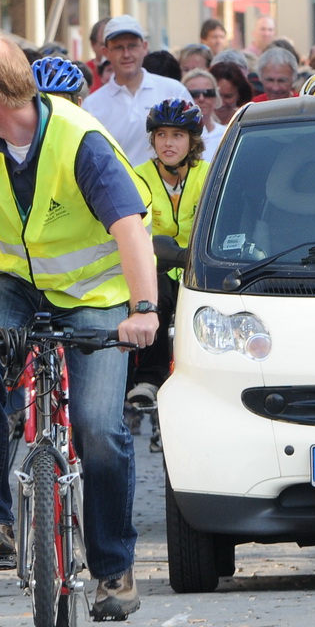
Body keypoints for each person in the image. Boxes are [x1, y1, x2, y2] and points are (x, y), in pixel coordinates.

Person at [0, 33, 158, 621]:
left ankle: (113, 568)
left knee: (96, 424)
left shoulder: (80, 141)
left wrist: (143, 311)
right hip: (10, 281)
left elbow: (132, 233)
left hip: (95, 294)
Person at [127, 99, 211, 444]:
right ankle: (148, 378)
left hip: (197, 267)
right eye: (161, 135)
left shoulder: (209, 173)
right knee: (154, 292)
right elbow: (137, 228)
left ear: (193, 141)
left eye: (178, 135)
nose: (168, 143)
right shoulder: (138, 176)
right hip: (157, 266)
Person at [81, 14, 193, 162]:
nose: (126, 54)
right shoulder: (92, 106)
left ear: (144, 47)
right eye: (118, 48)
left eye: (132, 46)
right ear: (106, 52)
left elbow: (196, 145)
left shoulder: (174, 92)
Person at [182, 67, 226, 155]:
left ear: (216, 96)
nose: (201, 99)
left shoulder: (227, 135)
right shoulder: (177, 137)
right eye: (194, 94)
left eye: (208, 93)